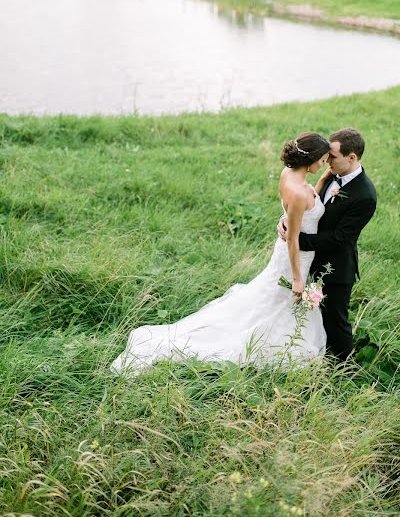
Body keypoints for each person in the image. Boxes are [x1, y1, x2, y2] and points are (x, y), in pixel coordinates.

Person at [111, 132, 330, 376]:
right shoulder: (300, 193)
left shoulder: (288, 175)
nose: (324, 165)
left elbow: (294, 212)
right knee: (282, 296)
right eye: (322, 161)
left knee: (271, 298)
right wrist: (298, 278)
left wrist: (320, 183)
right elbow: (293, 238)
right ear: (310, 160)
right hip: (294, 257)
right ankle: (268, 342)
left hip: (288, 253)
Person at [278, 128, 377, 361]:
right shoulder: (333, 174)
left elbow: (340, 238)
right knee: (308, 314)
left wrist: (297, 239)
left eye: (332, 156)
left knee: (336, 321)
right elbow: (306, 205)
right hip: (310, 259)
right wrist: (285, 223)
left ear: (352, 158)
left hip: (336, 267)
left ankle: (345, 369)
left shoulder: (365, 195)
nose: (326, 160)